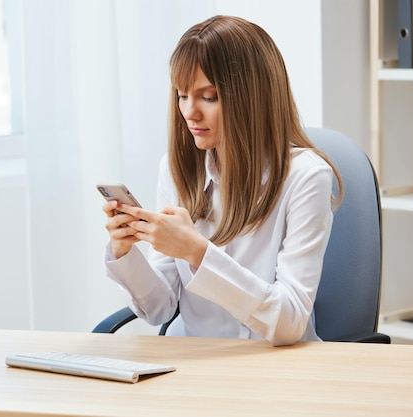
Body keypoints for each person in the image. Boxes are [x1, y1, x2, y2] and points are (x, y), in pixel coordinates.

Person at [102, 15, 343, 346]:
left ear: (252, 97)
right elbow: (159, 308)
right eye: (182, 95)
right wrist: (125, 251)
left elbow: (289, 323)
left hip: (277, 368)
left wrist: (199, 253)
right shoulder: (176, 170)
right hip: (195, 366)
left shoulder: (306, 178)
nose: (189, 112)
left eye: (208, 96)